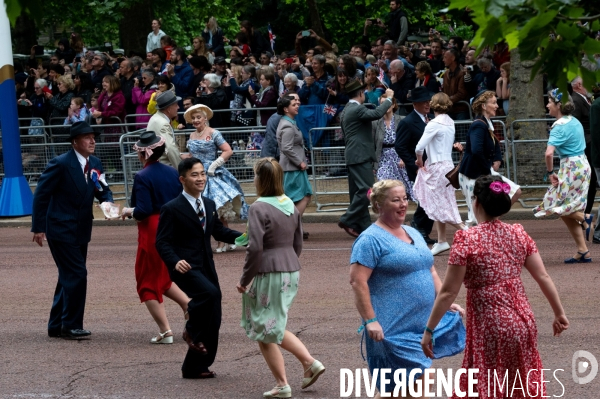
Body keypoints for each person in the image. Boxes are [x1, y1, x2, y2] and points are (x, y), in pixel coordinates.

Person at [421, 175, 569, 397]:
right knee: (519, 384)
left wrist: (429, 329)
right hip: (523, 321)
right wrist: (559, 313)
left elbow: (449, 292)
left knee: (488, 385)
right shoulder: (518, 232)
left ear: (476, 202)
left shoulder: (467, 239)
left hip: (490, 325)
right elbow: (543, 276)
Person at [350, 179, 465, 398]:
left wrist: (444, 303)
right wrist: (370, 320)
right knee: (418, 379)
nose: (403, 204)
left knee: (397, 388)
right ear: (378, 205)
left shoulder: (412, 232)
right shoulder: (370, 240)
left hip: (421, 324)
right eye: (396, 200)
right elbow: (358, 282)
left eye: (405, 198)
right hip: (392, 327)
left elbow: (430, 270)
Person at [236, 158, 325, 398]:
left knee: (266, 328)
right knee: (274, 323)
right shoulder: (290, 205)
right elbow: (297, 244)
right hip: (290, 269)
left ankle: (283, 383)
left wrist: (245, 279)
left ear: (260, 179)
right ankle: (309, 364)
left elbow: (255, 248)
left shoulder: (258, 207)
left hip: (269, 270)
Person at [155, 157, 242, 379]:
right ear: (182, 179)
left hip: (206, 266)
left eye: (202, 173)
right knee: (209, 295)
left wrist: (245, 238)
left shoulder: (209, 204)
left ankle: (195, 366)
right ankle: (191, 331)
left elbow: (219, 233)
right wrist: (175, 261)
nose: (201, 178)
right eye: (195, 175)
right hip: (184, 267)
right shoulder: (172, 208)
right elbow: (162, 242)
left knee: (214, 313)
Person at [31, 121, 114, 339]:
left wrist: (107, 203)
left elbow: (103, 189)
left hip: (81, 228)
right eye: (87, 137)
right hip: (60, 227)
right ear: (75, 142)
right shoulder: (60, 163)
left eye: (93, 137)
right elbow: (41, 195)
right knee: (77, 274)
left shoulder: (95, 162)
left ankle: (56, 324)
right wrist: (38, 227)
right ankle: (71, 324)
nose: (92, 141)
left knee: (68, 276)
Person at [121, 131, 190, 344]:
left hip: (152, 227)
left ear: (143, 154)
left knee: (146, 282)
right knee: (162, 274)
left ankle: (166, 330)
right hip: (172, 225)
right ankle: (188, 304)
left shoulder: (142, 176)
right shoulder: (171, 172)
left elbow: (143, 210)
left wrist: (127, 211)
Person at [534, 89, 592, 262]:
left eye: (550, 102)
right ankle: (583, 250)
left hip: (570, 167)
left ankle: (586, 218)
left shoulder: (558, 127)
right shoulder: (574, 121)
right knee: (567, 208)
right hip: (582, 164)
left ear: (558, 105)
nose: (547, 105)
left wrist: (550, 172)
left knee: (555, 203)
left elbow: (548, 154)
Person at [183, 104, 249, 252]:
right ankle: (218, 241)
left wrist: (214, 165)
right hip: (196, 174)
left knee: (219, 209)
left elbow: (227, 150)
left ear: (205, 118)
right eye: (193, 118)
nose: (196, 120)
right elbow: (191, 155)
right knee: (201, 210)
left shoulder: (214, 133)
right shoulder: (192, 135)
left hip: (212, 174)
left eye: (198, 117)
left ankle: (225, 240)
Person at [338, 80, 394, 238]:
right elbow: (376, 114)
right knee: (368, 189)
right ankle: (348, 218)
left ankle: (362, 224)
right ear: (361, 94)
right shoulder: (357, 109)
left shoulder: (348, 109)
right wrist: (389, 99)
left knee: (358, 190)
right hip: (359, 154)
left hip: (354, 154)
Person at [458, 90, 521, 226]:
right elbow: (476, 150)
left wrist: (498, 159)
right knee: (475, 216)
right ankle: (473, 240)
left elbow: (494, 144)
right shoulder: (478, 125)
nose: (497, 106)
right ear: (484, 106)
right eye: (493, 103)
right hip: (472, 173)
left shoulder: (486, 124)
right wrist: (488, 169)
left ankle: (491, 223)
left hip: (483, 171)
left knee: (515, 191)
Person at [413, 93, 465, 255]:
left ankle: (467, 230)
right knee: (440, 202)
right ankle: (441, 240)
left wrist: (419, 160)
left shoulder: (434, 124)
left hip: (436, 166)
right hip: (447, 165)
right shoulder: (450, 122)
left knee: (442, 204)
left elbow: (419, 148)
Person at [395, 86, 437, 245]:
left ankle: (423, 230)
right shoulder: (408, 122)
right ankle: (418, 226)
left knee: (430, 200)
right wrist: (414, 164)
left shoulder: (431, 119)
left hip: (433, 167)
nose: (428, 104)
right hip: (420, 168)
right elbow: (400, 146)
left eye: (428, 101)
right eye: (424, 101)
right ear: (415, 103)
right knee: (427, 200)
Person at [276, 95, 313, 239]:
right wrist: (300, 162)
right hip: (292, 168)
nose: (297, 106)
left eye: (297, 103)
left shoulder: (289, 122)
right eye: (293, 104)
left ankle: (296, 227)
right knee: (303, 196)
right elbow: (286, 148)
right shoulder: (287, 125)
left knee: (296, 198)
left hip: (293, 167)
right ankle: (292, 226)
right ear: (286, 109)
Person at [372, 91, 414, 201]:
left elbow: (409, 141)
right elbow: (373, 143)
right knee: (383, 183)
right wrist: (373, 163)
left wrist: (404, 158)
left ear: (394, 104)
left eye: (388, 102)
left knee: (403, 184)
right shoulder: (375, 122)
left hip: (399, 155)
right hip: (383, 157)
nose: (385, 105)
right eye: (382, 103)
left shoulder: (402, 120)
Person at [146, 90, 182, 168]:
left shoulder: (157, 118)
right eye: (176, 105)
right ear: (169, 109)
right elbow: (170, 149)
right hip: (164, 166)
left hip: (158, 165)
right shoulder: (163, 123)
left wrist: (181, 155)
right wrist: (181, 171)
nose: (178, 107)